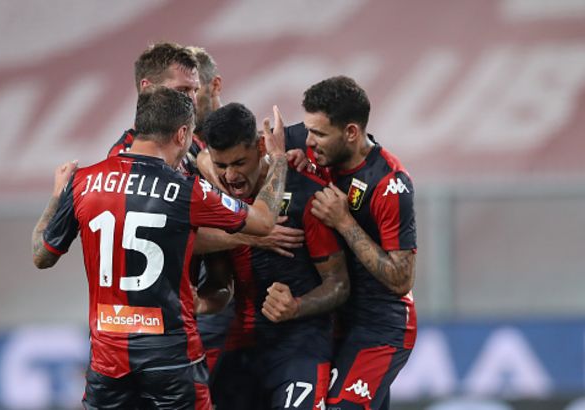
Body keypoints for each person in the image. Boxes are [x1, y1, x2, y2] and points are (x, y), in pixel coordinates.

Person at [31, 87, 290, 410]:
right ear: (182, 134)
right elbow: (264, 221)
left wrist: (58, 195)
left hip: (107, 360)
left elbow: (41, 255)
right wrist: (279, 160)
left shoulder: (83, 182)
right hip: (171, 357)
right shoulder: (187, 189)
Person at [200, 103, 350, 410]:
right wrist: (200, 301)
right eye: (221, 165)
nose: (231, 175)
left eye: (239, 162)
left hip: (300, 345)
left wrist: (296, 306)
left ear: (260, 147)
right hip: (242, 348)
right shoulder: (217, 202)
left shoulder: (306, 194)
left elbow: (338, 284)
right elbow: (220, 283)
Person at [301, 76, 417, 410]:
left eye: (319, 134)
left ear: (351, 132)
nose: (309, 141)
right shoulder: (316, 152)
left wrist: (344, 221)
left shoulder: (389, 182)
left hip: (378, 328)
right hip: (334, 323)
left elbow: (401, 279)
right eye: (308, 130)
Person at [107, 42, 204, 176]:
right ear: (147, 88)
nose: (193, 101)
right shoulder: (122, 159)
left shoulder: (191, 142)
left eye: (195, 91)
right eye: (182, 90)